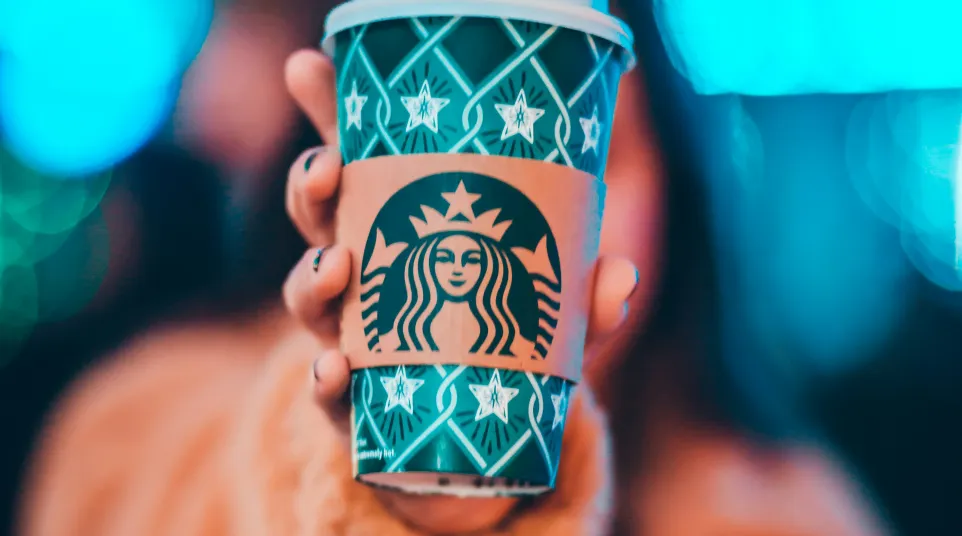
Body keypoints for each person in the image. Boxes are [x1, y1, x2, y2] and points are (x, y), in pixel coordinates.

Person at [17, 2, 888, 535]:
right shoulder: (145, 429)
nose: (486, 229)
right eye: (447, 156)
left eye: (587, 159)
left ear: (680, 188)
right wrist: (389, 504)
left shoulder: (781, 510)